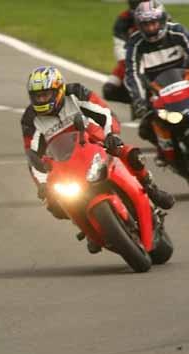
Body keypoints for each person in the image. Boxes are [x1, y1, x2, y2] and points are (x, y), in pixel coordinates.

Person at [21, 66, 174, 252]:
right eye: (37, 96)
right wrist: (42, 184)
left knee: (131, 155)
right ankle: (87, 226)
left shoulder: (76, 93)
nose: (42, 100)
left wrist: (111, 135)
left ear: (59, 89)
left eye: (46, 95)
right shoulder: (30, 119)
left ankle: (151, 188)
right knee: (54, 205)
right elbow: (33, 155)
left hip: (97, 143)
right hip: (66, 163)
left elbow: (105, 113)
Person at [124, 0, 189, 165]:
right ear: (139, 25)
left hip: (185, 84)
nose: (151, 28)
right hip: (157, 92)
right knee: (145, 128)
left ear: (162, 20)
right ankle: (165, 152)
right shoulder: (135, 44)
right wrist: (139, 100)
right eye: (146, 25)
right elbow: (133, 74)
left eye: (154, 23)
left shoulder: (178, 32)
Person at [102, 0, 143, 103]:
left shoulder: (160, 15)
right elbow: (119, 46)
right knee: (109, 90)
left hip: (159, 59)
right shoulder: (124, 19)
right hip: (133, 59)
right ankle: (137, 103)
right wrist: (127, 62)